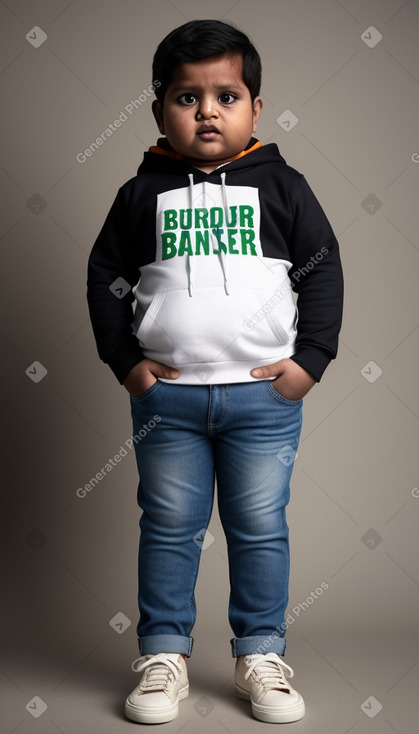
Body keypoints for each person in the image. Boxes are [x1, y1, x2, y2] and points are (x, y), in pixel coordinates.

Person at [87, 18, 343, 725]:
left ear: (255, 108)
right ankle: (162, 657)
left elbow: (323, 273)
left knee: (259, 526)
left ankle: (259, 655)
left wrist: (309, 363)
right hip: (166, 400)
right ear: (158, 110)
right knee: (168, 526)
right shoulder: (141, 195)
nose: (206, 111)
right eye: (185, 97)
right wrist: (126, 364)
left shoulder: (283, 186)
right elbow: (105, 275)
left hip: (263, 399)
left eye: (226, 96)